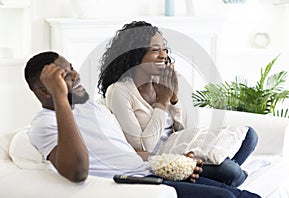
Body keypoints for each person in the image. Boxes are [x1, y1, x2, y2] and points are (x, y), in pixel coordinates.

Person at [24, 51, 261, 198]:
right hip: (134, 185)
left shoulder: (89, 107)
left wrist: (176, 161)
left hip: (150, 171)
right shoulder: (43, 124)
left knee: (240, 194)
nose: (75, 76)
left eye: (72, 69)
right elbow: (77, 171)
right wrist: (59, 97)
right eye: (64, 76)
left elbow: (125, 150)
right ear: (45, 90)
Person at [98, 21, 259, 187]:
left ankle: (215, 177)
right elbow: (142, 147)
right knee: (230, 172)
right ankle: (226, 177)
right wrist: (162, 102)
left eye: (164, 49)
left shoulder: (162, 82)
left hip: (183, 149)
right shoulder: (119, 91)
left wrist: (174, 99)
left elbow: (187, 131)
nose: (163, 55)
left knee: (250, 136)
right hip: (162, 160)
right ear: (135, 55)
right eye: (155, 50)